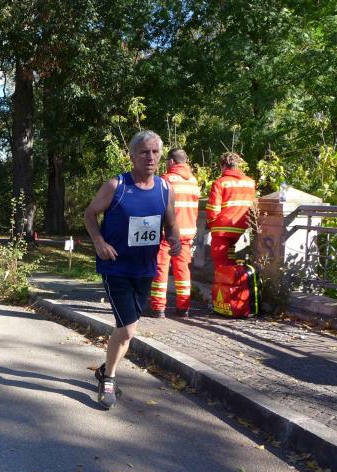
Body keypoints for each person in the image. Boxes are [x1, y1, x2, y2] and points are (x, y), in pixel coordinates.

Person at [83, 130, 181, 409]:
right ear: (132, 156)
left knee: (128, 328)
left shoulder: (165, 189)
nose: (150, 157)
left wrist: (174, 239)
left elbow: (170, 223)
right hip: (115, 267)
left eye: (155, 152)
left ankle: (105, 368)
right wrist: (99, 241)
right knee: (126, 330)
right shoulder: (117, 185)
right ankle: (109, 379)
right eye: (144, 152)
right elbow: (89, 214)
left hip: (145, 269)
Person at [149, 148, 200, 318]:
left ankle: (158, 308)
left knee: (160, 269)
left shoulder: (165, 180)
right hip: (186, 233)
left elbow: (156, 206)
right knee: (183, 271)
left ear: (171, 161)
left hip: (167, 233)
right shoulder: (193, 181)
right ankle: (183, 308)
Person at [206, 152, 256, 269]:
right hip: (240, 226)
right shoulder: (250, 182)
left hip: (222, 227)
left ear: (223, 166)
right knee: (229, 256)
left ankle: (222, 280)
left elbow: (213, 208)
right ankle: (232, 278)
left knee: (220, 259)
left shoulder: (220, 182)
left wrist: (211, 222)